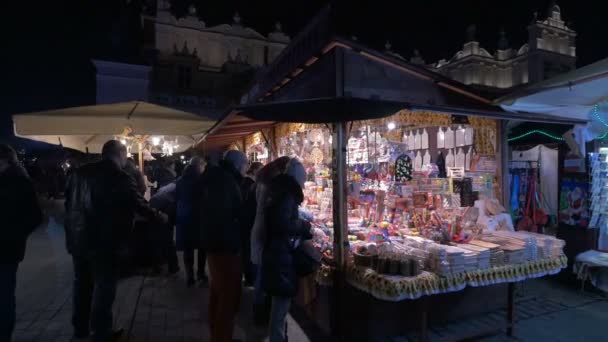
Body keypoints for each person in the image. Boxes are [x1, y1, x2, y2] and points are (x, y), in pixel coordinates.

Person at [64, 140, 167, 341]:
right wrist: (160, 216)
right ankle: (101, 332)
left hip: (78, 240)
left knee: (82, 285)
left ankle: (80, 329)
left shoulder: (78, 173)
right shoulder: (120, 177)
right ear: (120, 154)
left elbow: (68, 203)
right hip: (104, 243)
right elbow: (138, 204)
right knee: (104, 287)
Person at [197, 150, 247, 342]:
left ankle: (217, 335)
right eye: (244, 165)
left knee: (218, 292)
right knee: (228, 297)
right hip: (224, 245)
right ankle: (221, 337)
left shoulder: (218, 177)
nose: (246, 170)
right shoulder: (225, 182)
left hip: (214, 242)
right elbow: (226, 215)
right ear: (237, 165)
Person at [261, 159, 311, 342]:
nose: (304, 185)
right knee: (280, 305)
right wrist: (303, 225)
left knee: (279, 304)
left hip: (276, 252)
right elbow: (283, 223)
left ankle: (280, 337)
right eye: (303, 181)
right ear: (297, 178)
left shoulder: (278, 189)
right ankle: (278, 338)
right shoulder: (287, 194)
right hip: (280, 254)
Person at [0, 144, 43, 342]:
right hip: (10, 248)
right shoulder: (17, 180)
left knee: (4, 297)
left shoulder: (18, 182)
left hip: (7, 249)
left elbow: (35, 216)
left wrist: (14, 234)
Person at [250, 156, 291, 325]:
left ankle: (260, 311)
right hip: (264, 233)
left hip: (260, 230)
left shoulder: (262, 182)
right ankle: (261, 313)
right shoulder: (269, 186)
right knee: (262, 275)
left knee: (261, 273)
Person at [176, 157, 207, 287]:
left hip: (184, 216)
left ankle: (190, 275)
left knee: (188, 248)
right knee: (202, 247)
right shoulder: (201, 180)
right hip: (198, 216)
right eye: (203, 166)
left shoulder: (180, 180)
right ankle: (200, 273)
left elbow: (177, 196)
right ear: (199, 165)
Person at [240, 162, 263, 286]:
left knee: (247, 251)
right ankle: (250, 279)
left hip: (246, 223)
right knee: (249, 252)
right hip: (250, 223)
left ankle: (249, 278)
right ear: (254, 171)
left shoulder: (247, 183)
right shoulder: (251, 185)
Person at [149, 181, 179, 275]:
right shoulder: (179, 187)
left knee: (157, 239)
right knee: (167, 239)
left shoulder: (170, 185)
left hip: (155, 205)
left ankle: (158, 267)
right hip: (161, 208)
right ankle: (173, 267)